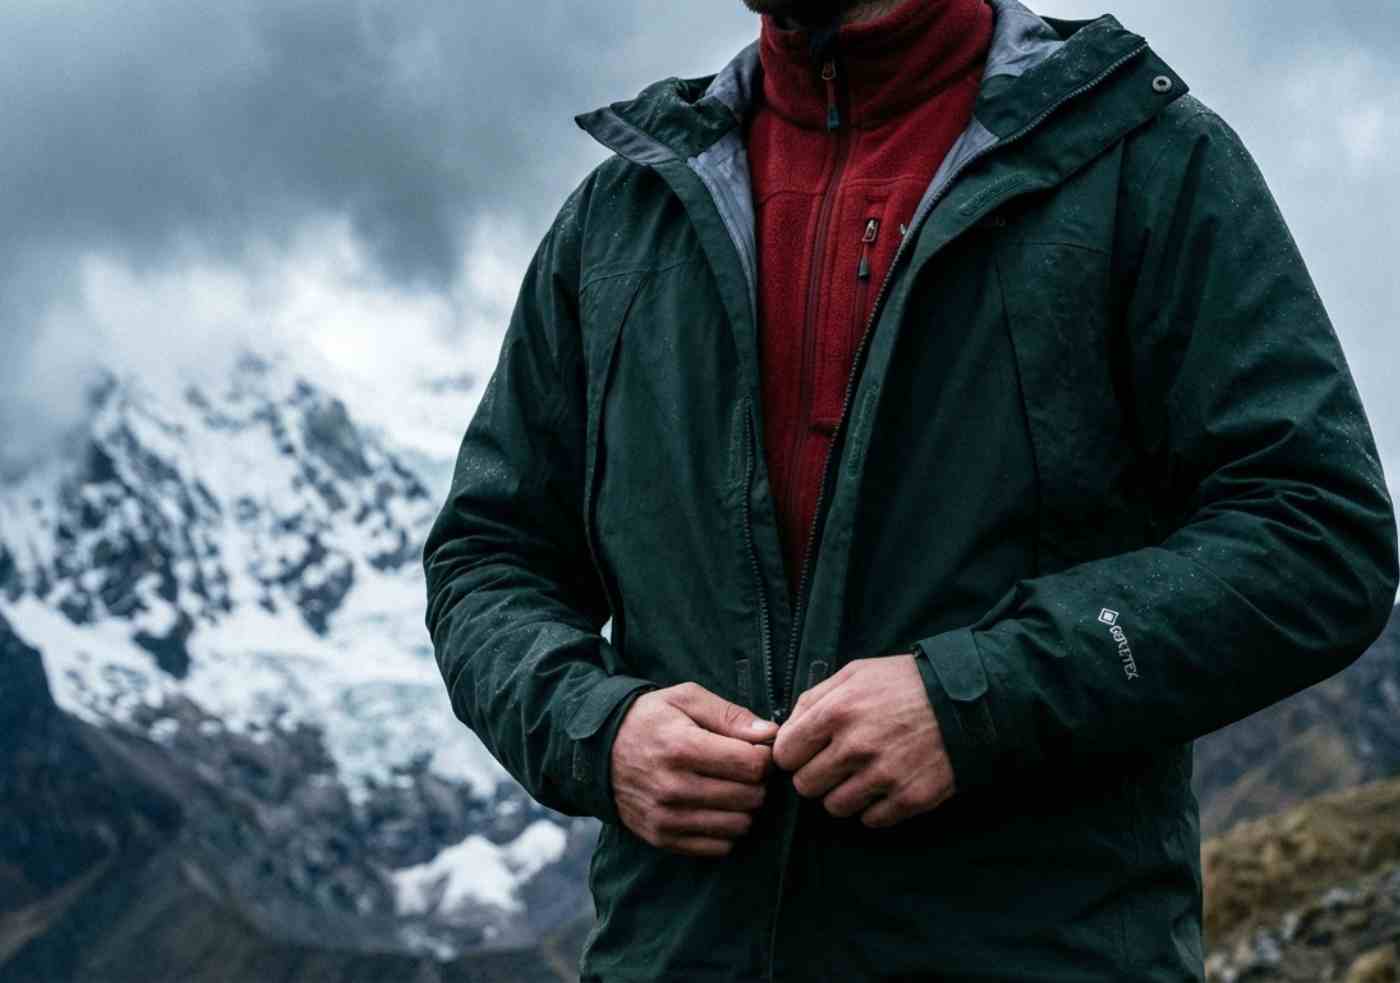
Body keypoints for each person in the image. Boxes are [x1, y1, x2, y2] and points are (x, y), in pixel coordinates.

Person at [421, 0, 1400, 978]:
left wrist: (980, 697)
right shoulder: (619, 221)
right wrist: (598, 729)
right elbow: (487, 555)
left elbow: (1316, 532)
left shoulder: (1144, 166)